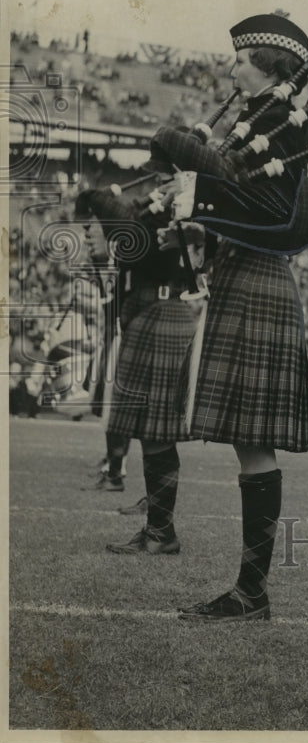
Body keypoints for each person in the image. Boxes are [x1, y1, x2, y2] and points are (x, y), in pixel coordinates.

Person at [150, 13, 308, 622]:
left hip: (259, 279)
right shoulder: (264, 114)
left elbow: (259, 197)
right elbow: (232, 190)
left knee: (254, 443)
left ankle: (252, 591)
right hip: (243, 275)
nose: (231, 68)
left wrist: (182, 148)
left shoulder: (284, 116)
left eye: (241, 59)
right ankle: (251, 590)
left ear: (270, 64)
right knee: (249, 442)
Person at [76, 181, 202, 550]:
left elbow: (121, 219)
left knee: (156, 430)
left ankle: (161, 529)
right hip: (154, 314)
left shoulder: (167, 215)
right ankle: (159, 525)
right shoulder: (158, 213)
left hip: (160, 315)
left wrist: (92, 197)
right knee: (152, 430)